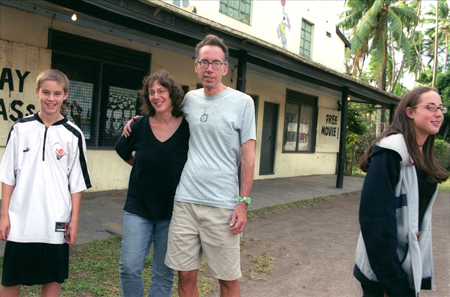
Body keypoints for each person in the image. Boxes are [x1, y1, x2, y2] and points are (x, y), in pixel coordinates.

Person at [124, 34, 256, 297]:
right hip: (184, 202)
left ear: (225, 69)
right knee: (185, 274)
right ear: (196, 65)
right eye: (204, 62)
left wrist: (243, 202)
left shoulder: (243, 103)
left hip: (222, 204)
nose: (209, 68)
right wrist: (137, 121)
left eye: (216, 63)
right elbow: (163, 114)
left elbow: (248, 156)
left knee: (227, 279)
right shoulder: (189, 101)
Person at [0, 69, 92, 296]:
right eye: (46, 92)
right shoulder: (20, 128)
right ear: (37, 92)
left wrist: (74, 220)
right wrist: (4, 215)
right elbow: (8, 177)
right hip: (20, 220)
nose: (51, 98)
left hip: (56, 220)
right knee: (11, 278)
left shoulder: (74, 134)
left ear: (65, 95)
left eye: (57, 93)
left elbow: (76, 183)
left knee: (52, 279)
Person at [354, 87, 449, 297]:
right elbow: (375, 221)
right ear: (410, 112)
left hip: (405, 263)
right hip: (385, 272)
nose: (439, 113)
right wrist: (392, 282)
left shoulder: (420, 153)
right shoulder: (391, 152)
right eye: (430, 107)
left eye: (441, 108)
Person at [115, 71, 189, 297]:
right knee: (129, 268)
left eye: (161, 91)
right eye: (151, 92)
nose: (156, 96)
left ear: (172, 93)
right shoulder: (138, 126)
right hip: (139, 206)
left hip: (173, 209)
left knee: (164, 271)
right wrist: (140, 166)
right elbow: (122, 149)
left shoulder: (188, 127)